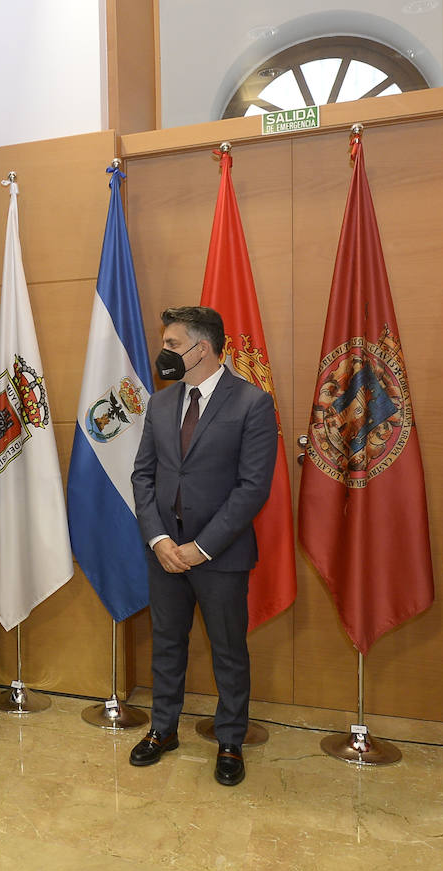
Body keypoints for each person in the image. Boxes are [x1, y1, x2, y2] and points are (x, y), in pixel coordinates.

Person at [129, 306, 276, 785]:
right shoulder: (161, 403)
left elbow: (252, 489)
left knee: (228, 650)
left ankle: (230, 739)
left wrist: (201, 548)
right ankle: (162, 729)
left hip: (220, 556)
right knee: (167, 645)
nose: (164, 352)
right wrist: (159, 539)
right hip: (164, 552)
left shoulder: (252, 403)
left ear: (203, 348)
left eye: (172, 344)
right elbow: (143, 474)